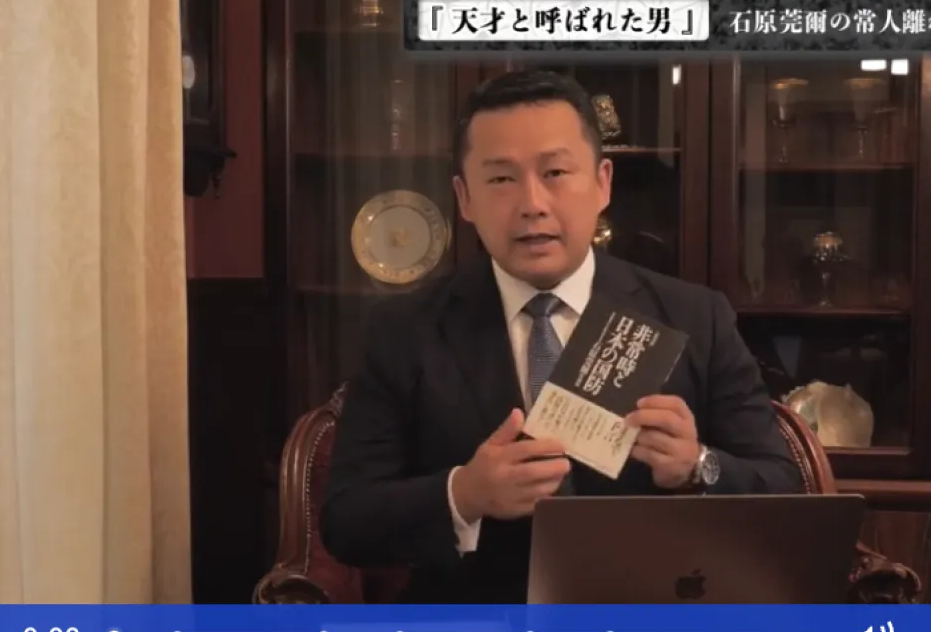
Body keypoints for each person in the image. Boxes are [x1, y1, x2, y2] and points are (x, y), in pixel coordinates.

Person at [320, 70, 803, 604]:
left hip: (650, 622)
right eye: (501, 179)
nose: (532, 203)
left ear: (602, 183)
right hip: (477, 630)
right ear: (464, 198)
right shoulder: (404, 330)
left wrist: (698, 465)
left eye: (555, 172)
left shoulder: (694, 318)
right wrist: (465, 493)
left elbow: (783, 488)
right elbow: (346, 520)